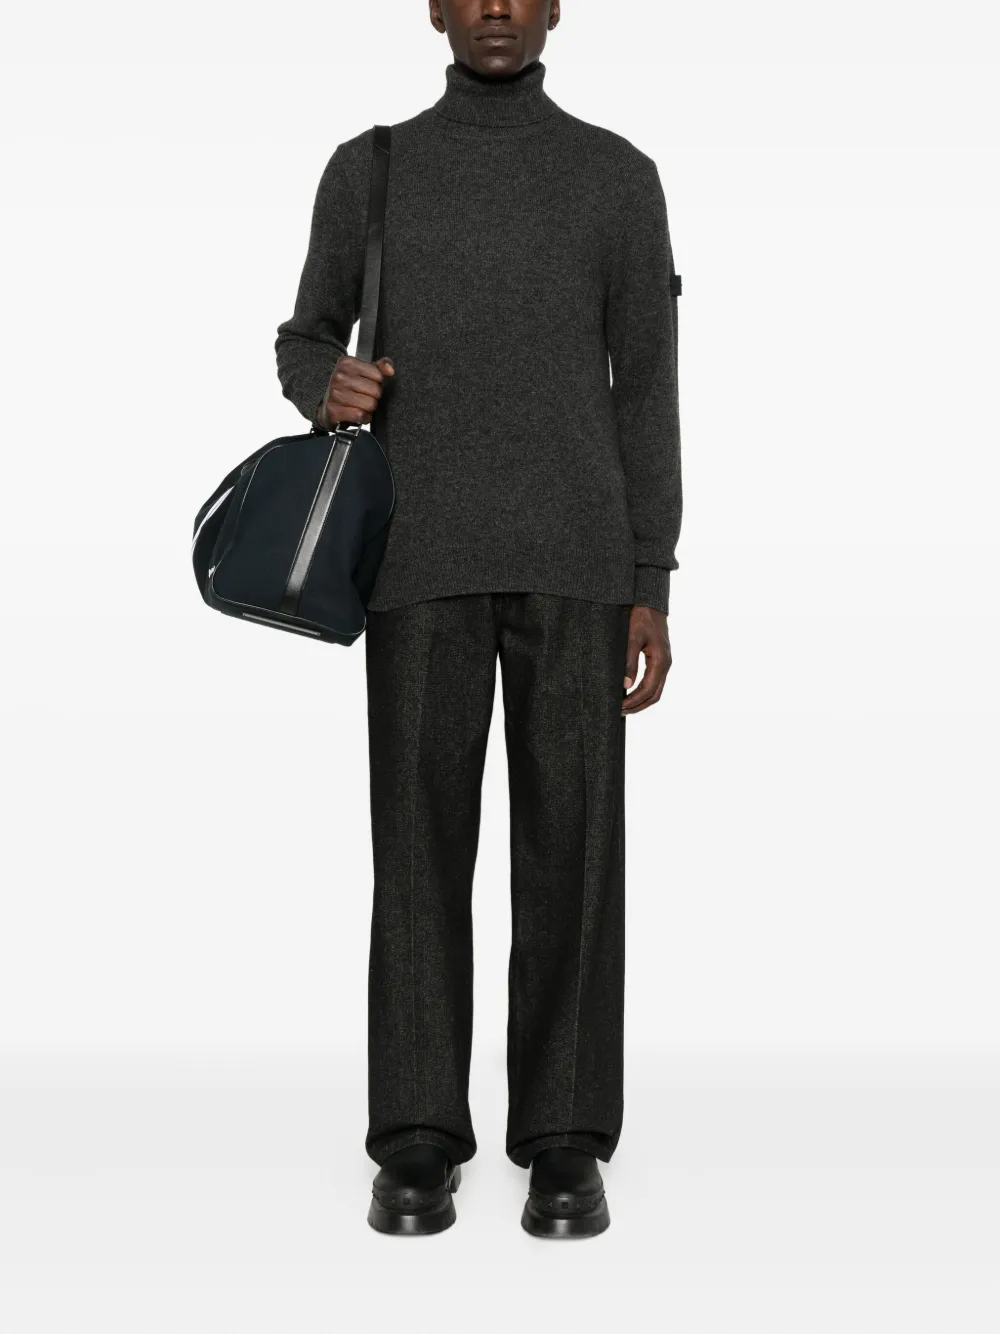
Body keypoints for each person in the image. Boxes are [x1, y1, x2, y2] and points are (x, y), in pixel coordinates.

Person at [274, 0, 682, 1239]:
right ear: (435, 8)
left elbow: (646, 386)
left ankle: (564, 1136)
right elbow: (303, 335)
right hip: (417, 556)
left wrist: (649, 576)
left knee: (575, 858)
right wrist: (325, 380)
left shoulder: (616, 177)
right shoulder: (372, 168)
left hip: (576, 563)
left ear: (555, 7)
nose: (496, 6)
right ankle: (414, 1135)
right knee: (416, 855)